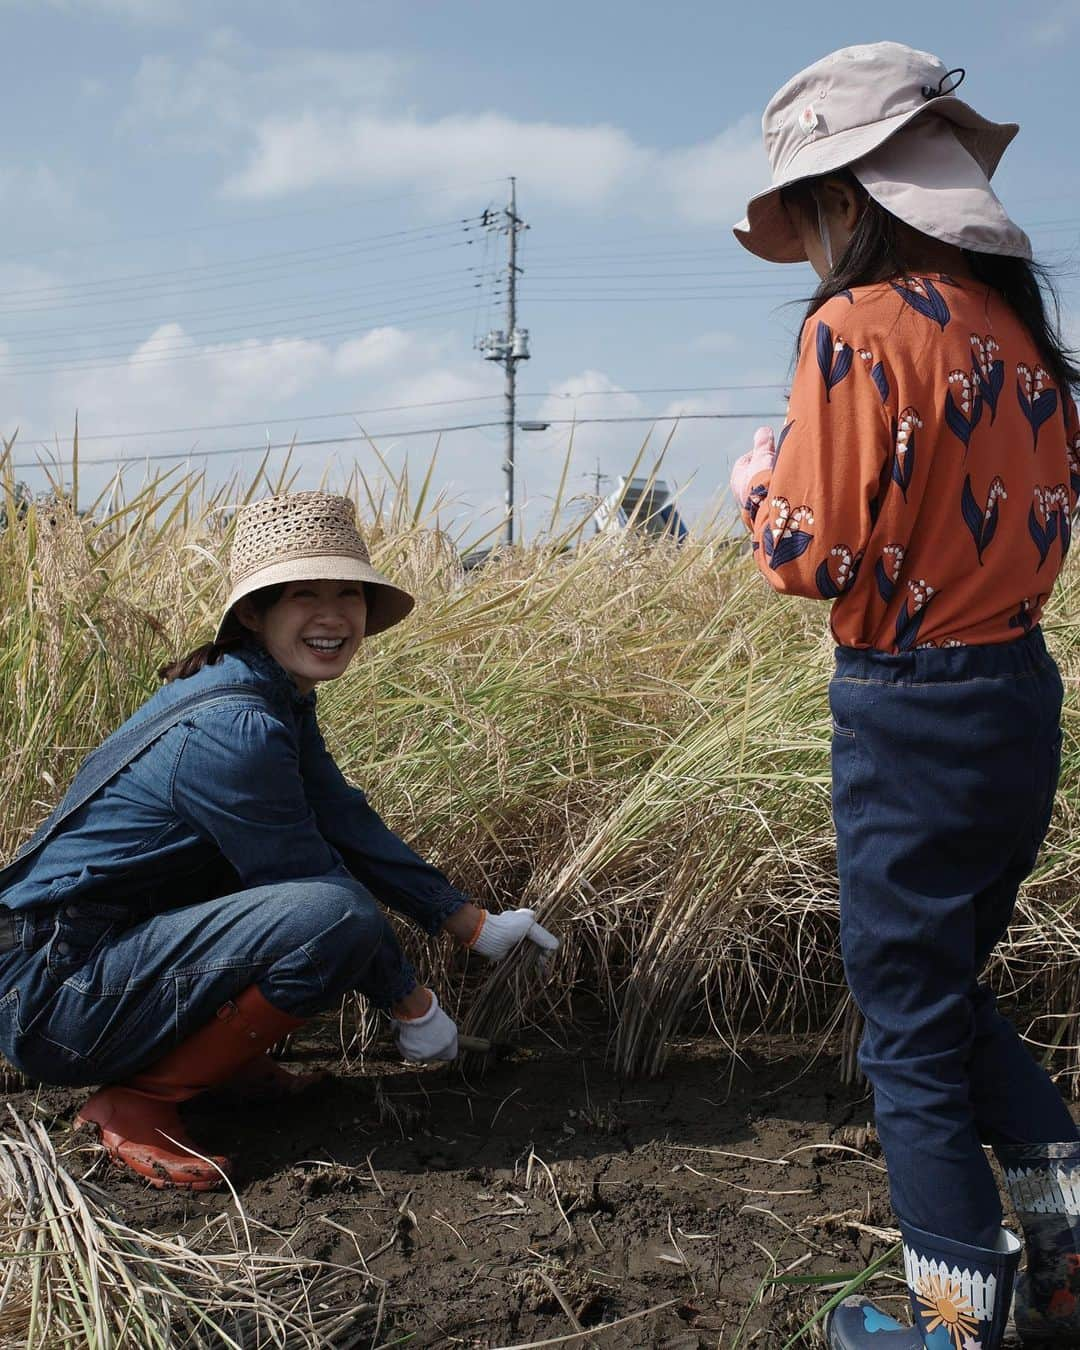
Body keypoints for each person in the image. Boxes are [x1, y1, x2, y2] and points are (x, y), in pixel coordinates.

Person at [729, 42, 1080, 1350]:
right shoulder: (1021, 337)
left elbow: (806, 554)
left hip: (909, 707)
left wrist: (756, 485)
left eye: (812, 208)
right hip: (1014, 700)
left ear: (849, 197)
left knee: (908, 1035)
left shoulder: (851, 331)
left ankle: (955, 1324)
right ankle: (1068, 1240)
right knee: (941, 988)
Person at [0, 490, 557, 1192]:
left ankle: (223, 1065)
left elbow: (344, 821)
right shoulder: (236, 727)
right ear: (254, 613)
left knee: (310, 905)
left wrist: (472, 923)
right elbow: (318, 885)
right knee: (331, 918)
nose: (332, 616)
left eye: (348, 592)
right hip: (56, 997)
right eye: (303, 595)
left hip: (91, 962)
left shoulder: (266, 692)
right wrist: (412, 1007)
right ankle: (139, 1099)